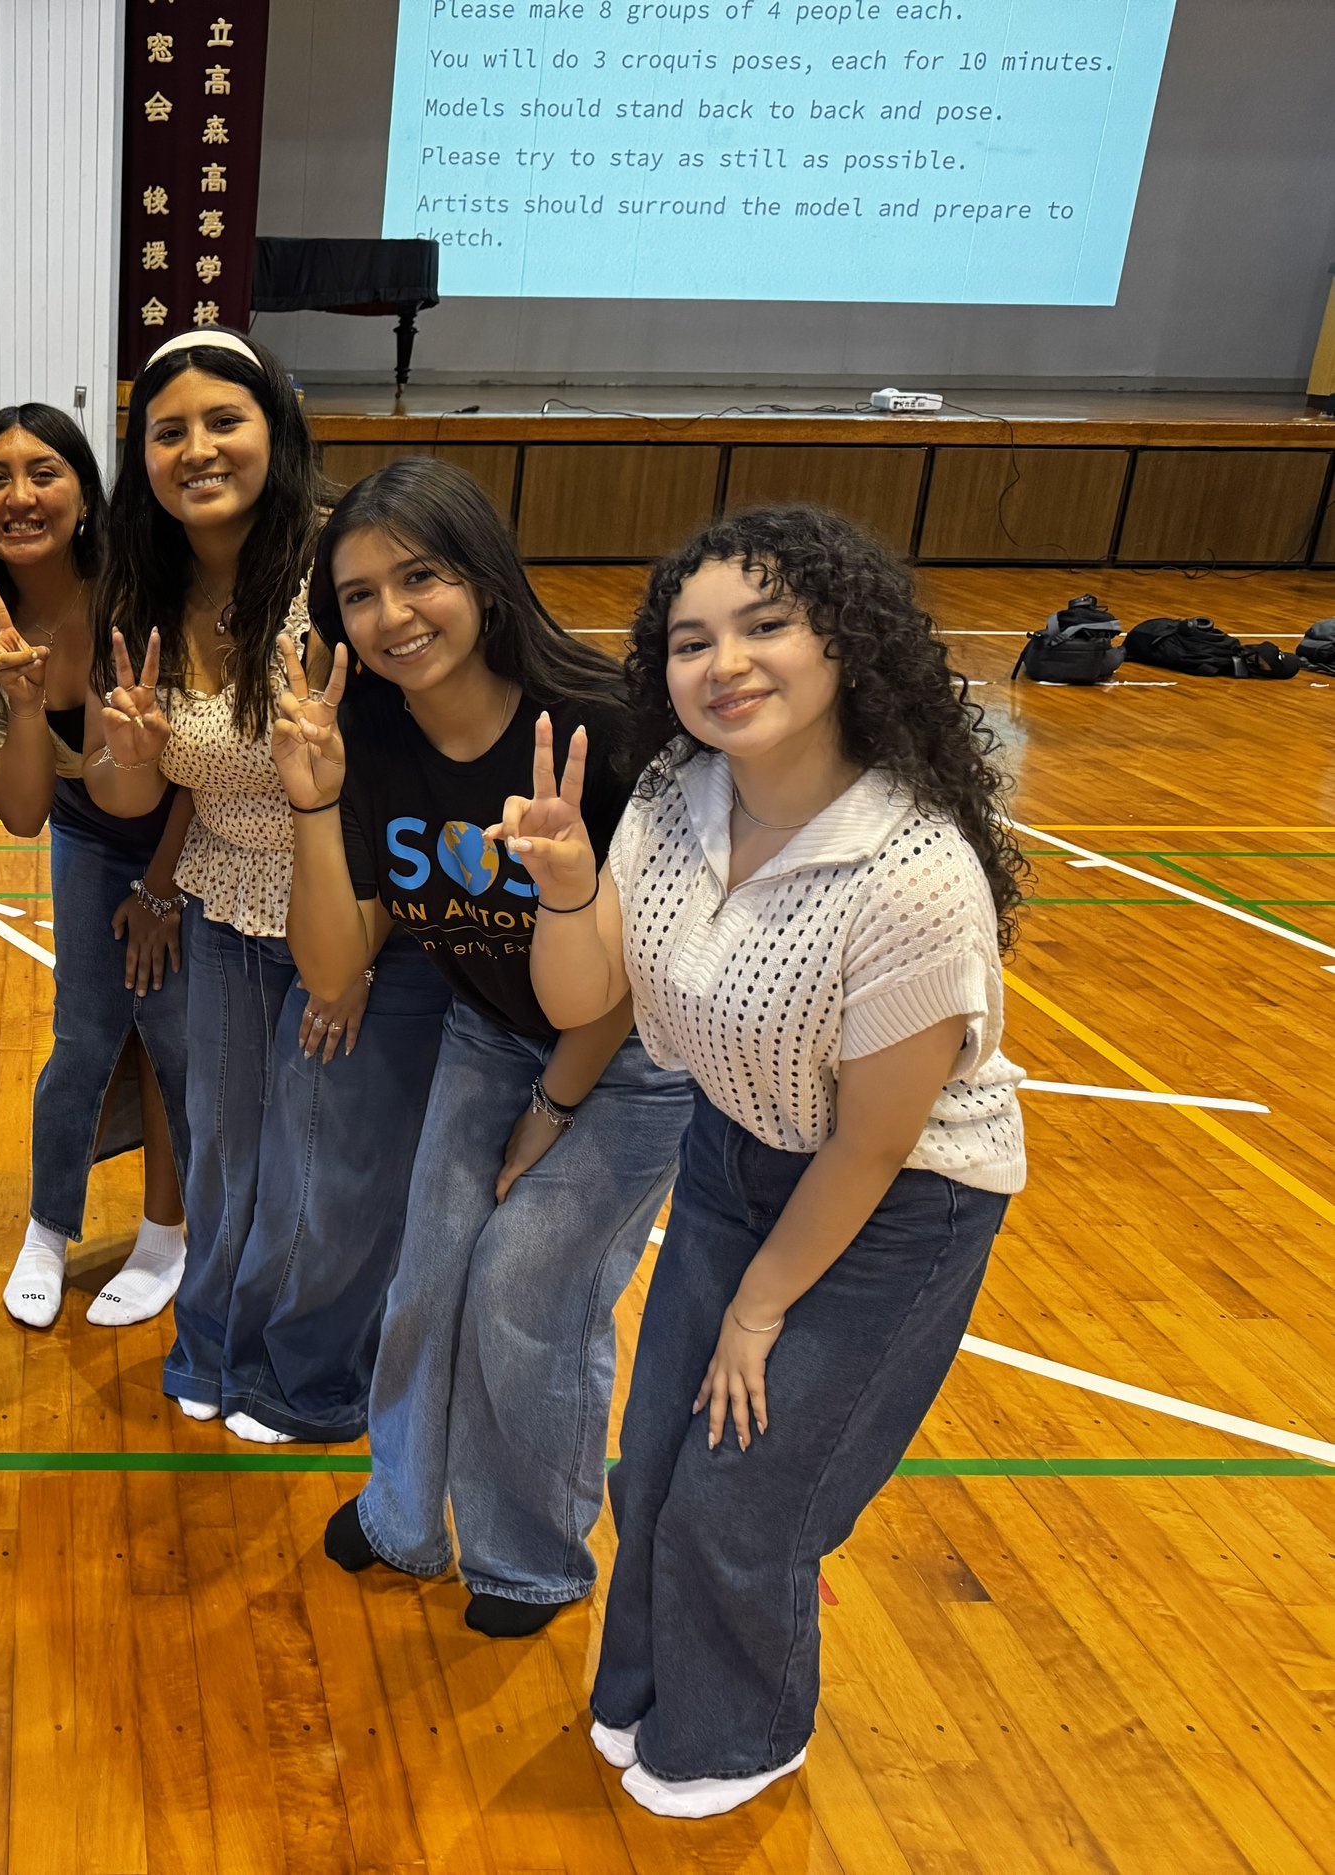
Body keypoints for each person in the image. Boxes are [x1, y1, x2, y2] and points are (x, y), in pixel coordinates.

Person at [513, 505, 1027, 1817]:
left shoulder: (915, 872)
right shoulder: (677, 800)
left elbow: (873, 1139)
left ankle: (745, 1732)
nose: (724, 659)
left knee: (747, 1501)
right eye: (692, 638)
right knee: (649, 1472)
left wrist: (758, 1307)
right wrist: (571, 884)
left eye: (766, 623)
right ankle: (644, 1685)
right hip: (736, 1154)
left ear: (847, 643)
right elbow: (589, 999)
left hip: (898, 1208)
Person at [276, 459, 692, 1635]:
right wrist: (311, 804)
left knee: (525, 1287)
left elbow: (622, 977)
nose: (393, 615)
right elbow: (329, 966)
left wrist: (551, 1113)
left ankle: (529, 1555)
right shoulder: (359, 728)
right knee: (428, 1273)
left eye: (420, 577)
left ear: (485, 581)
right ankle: (405, 1511)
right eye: (359, 595)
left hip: (629, 1057)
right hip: (489, 1029)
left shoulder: (603, 726)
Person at [86, 328, 451, 1445]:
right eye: (168, 430)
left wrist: (364, 946)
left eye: (223, 421)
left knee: (324, 1169)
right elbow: (140, 797)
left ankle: (310, 1382)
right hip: (225, 906)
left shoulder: (337, 577)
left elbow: (413, 771)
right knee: (226, 1152)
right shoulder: (144, 590)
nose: (197, 449)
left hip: (351, 914)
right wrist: (132, 758)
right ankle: (215, 1349)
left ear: (274, 432)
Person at [0, 402, 194, 1329]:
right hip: (84, 827)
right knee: (84, 1034)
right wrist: (27, 701)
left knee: (174, 1041)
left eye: (45, 472)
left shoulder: (146, 594)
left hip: (193, 827)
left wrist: (162, 887)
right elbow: (28, 810)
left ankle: (166, 1237)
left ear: (86, 496)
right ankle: (49, 1228)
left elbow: (204, 763)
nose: (20, 494)